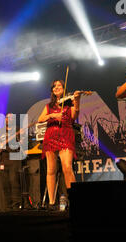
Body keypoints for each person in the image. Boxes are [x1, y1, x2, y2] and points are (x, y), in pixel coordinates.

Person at [38, 80, 81, 210]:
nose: (56, 87)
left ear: (64, 89)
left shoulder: (69, 102)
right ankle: (51, 202)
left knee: (67, 167)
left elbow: (74, 116)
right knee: (51, 171)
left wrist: (77, 101)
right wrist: (53, 115)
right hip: (51, 136)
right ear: (52, 91)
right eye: (54, 86)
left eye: (59, 86)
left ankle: (74, 199)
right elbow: (40, 119)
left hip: (65, 135)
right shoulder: (48, 106)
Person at [0, 113, 26, 211]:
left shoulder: (18, 130)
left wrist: (20, 139)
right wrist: (1, 141)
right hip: (3, 158)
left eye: (11, 118)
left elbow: (23, 142)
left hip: (14, 157)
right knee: (5, 183)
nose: (9, 119)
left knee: (14, 181)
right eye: (7, 118)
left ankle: (16, 206)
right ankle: (8, 206)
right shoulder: (1, 131)